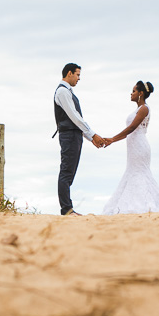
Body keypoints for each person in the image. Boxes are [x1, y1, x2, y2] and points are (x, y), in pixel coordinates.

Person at [100, 80, 159, 214]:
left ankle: (144, 204)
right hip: (133, 146)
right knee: (132, 171)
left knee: (140, 173)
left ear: (141, 93)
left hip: (140, 146)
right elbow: (130, 130)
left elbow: (132, 127)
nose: (131, 93)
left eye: (133, 91)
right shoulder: (138, 109)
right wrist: (113, 140)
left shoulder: (144, 108)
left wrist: (113, 139)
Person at [54, 63, 106, 216]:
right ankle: (66, 209)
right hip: (69, 135)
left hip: (74, 135)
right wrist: (93, 135)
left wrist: (90, 138)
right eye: (77, 75)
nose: (79, 78)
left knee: (70, 172)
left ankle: (68, 208)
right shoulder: (62, 91)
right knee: (66, 172)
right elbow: (75, 117)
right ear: (69, 73)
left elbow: (76, 120)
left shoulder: (68, 92)